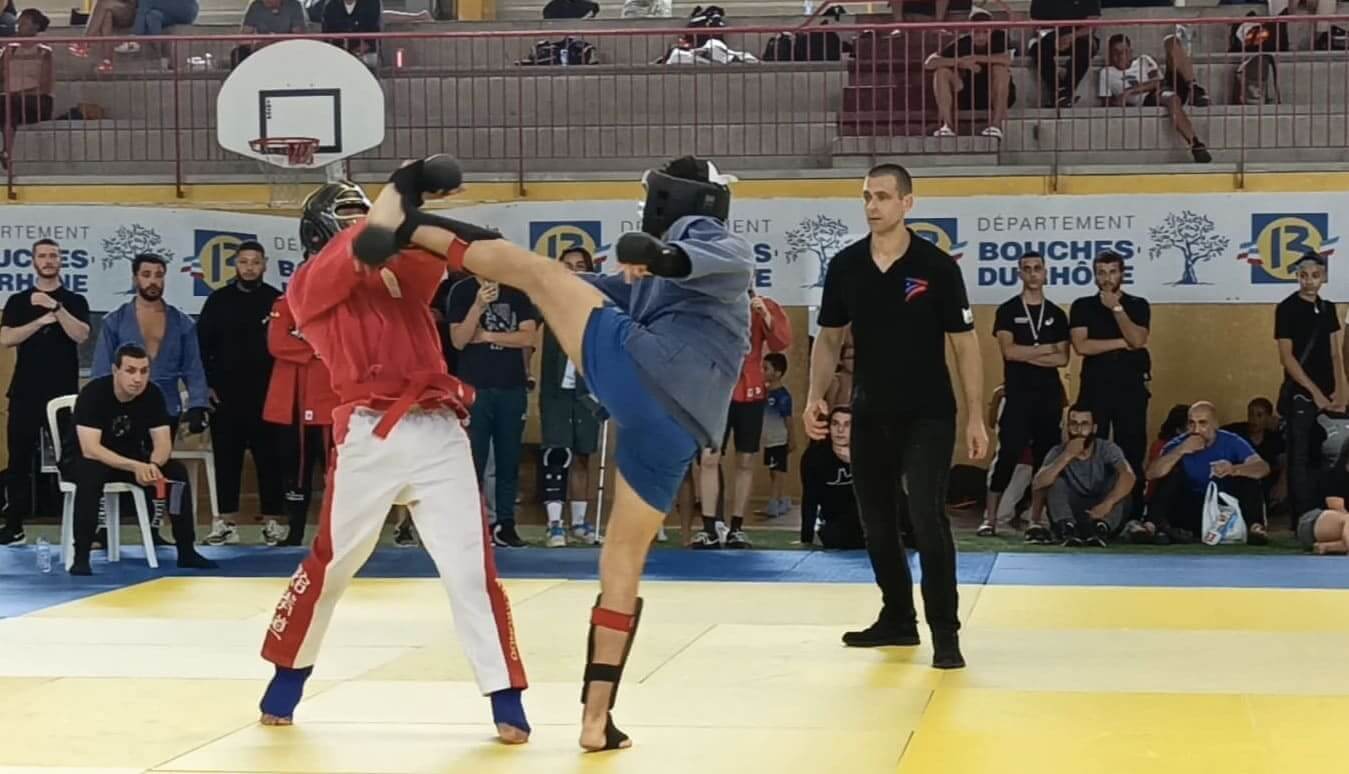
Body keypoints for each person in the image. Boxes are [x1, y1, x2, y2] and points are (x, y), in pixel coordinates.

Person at [353, 153, 753, 751]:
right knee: (622, 560)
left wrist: (656, 254)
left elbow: (693, 256)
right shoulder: (654, 275)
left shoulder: (710, 238)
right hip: (678, 428)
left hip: (652, 373)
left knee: (539, 273)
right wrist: (513, 262)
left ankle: (403, 223)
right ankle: (596, 720)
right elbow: (580, 280)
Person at [255, 180, 530, 745]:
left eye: (365, 209)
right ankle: (286, 679)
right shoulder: (308, 284)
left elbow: (431, 250)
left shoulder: (400, 272)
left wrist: (431, 219)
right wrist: (403, 190)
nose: (360, 218)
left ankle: (506, 699)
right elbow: (367, 243)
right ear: (322, 227)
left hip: (438, 428)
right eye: (349, 211)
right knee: (334, 563)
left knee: (470, 569)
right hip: (369, 432)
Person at [802, 163, 986, 670]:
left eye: (883, 196)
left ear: (908, 203)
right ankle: (898, 618)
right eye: (867, 196)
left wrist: (976, 416)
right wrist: (814, 396)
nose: (872, 206)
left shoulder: (936, 266)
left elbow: (965, 344)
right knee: (877, 522)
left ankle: (945, 631)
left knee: (925, 516)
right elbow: (830, 339)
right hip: (870, 412)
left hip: (929, 413)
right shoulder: (846, 266)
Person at [65, 344, 216, 575]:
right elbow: (90, 449)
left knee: (176, 475)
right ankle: (81, 555)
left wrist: (153, 466)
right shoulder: (94, 393)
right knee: (91, 476)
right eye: (130, 370)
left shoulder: (153, 394)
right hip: (85, 459)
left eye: (144, 371)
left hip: (131, 459)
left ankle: (186, 549)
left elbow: (163, 442)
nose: (138, 378)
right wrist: (136, 466)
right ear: (116, 370)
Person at [0, 239, 91, 546]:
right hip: (25, 391)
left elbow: (81, 334)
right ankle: (14, 526)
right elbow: (6, 338)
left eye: (53, 255)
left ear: (61, 261)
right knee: (19, 461)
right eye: (43, 256)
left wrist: (55, 307)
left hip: (63, 394)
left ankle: (78, 528)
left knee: (70, 460)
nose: (48, 260)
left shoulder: (74, 300)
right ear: (34, 261)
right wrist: (40, 320)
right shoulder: (19, 301)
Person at [197, 240, 285, 546]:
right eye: (244, 262)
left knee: (270, 460)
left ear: (265, 265)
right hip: (225, 397)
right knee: (227, 460)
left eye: (255, 262)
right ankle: (226, 523)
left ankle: (273, 523)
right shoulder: (218, 301)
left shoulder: (277, 301)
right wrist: (205, 387)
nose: (249, 267)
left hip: (267, 397)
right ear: (235, 264)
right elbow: (200, 348)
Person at [446, 270, 540, 548]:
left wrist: (486, 335)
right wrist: (478, 305)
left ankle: (505, 523)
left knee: (508, 459)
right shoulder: (462, 291)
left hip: (511, 386)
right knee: (472, 459)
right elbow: (459, 340)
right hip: (474, 388)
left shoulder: (517, 289)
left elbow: (528, 338)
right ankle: (471, 523)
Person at [696, 288, 790, 549]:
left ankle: (737, 528)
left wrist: (766, 315)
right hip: (715, 390)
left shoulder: (762, 306)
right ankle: (709, 528)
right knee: (708, 458)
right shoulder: (708, 302)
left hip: (750, 391)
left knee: (746, 460)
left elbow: (781, 343)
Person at [983, 250, 1067, 539]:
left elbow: (1063, 358)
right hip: (1018, 396)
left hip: (1048, 397)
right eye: (1027, 268)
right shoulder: (1007, 311)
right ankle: (990, 519)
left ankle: (1036, 519)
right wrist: (1045, 349)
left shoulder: (1056, 314)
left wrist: (1026, 352)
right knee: (1007, 455)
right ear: (1019, 273)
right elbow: (1009, 352)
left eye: (1037, 268)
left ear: (1045, 273)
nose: (1033, 273)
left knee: (1046, 459)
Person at [1070, 250, 1151, 521]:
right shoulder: (1082, 306)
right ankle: (1092, 513)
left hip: (1130, 388)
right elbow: (1082, 346)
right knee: (1092, 449)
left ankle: (1132, 515)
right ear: (1094, 275)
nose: (1107, 278)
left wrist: (1116, 308)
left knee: (1132, 450)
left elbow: (1138, 339)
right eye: (1101, 273)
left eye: (1112, 272)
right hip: (1095, 388)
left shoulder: (1137, 304)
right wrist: (1121, 343)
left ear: (1122, 274)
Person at [92, 253, 210, 436]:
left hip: (166, 406)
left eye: (159, 275)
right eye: (146, 275)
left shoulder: (183, 324)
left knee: (160, 454)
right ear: (135, 279)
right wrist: (102, 404)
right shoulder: (114, 321)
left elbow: (193, 367)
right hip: (123, 407)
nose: (153, 281)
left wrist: (198, 405)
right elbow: (102, 369)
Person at [262, 289, 338, 548]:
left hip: (332, 400)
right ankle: (294, 533)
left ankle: (336, 535)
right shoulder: (286, 303)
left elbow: (344, 342)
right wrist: (318, 349)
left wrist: (308, 342)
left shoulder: (342, 302)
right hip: (294, 402)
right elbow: (277, 343)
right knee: (295, 472)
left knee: (336, 472)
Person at [538, 246, 604, 547]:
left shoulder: (599, 305)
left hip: (585, 390)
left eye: (580, 265)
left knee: (582, 456)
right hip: (556, 391)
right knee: (556, 455)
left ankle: (579, 522)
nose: (575, 271)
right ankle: (554, 524)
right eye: (568, 265)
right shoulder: (549, 300)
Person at [1276, 252, 1346, 524]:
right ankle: (1302, 520)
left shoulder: (1328, 308)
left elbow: (1336, 353)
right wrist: (1314, 393)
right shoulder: (1286, 308)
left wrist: (1341, 391)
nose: (1309, 281)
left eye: (1315, 275)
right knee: (1300, 458)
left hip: (1329, 397)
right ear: (1297, 277)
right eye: (1303, 275)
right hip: (1301, 396)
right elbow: (1287, 358)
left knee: (1324, 456)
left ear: (1323, 277)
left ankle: (1323, 516)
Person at [1146, 401, 1270, 545]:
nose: (1196, 430)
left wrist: (1234, 469)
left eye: (1202, 423)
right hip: (1191, 505)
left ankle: (1255, 528)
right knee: (1170, 474)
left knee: (1249, 479)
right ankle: (1150, 526)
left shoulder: (1231, 441)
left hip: (1224, 505)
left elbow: (1263, 468)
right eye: (1191, 423)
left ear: (1215, 425)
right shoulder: (1179, 443)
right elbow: (1151, 474)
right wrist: (1180, 451)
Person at [1098, 33, 1212, 164]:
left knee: (1171, 40)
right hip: (1149, 98)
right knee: (1171, 98)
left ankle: (1193, 87)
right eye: (1116, 52)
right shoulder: (1106, 73)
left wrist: (1129, 91)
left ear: (1130, 51)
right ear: (1110, 54)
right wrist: (1118, 102)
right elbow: (1105, 102)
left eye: (1124, 51)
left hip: (1165, 86)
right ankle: (1195, 144)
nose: (1121, 56)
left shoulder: (1144, 60)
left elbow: (1158, 81)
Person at [1032, 404, 1135, 547]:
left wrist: (1108, 504)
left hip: (1103, 510)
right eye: (1074, 424)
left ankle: (1101, 530)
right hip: (1072, 513)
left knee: (1118, 480)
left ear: (1094, 428)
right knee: (1053, 480)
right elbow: (1038, 483)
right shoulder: (1058, 451)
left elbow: (1129, 476)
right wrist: (1067, 456)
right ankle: (1067, 529)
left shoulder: (1107, 448)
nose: (1079, 430)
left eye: (1084, 424)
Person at [925, 6, 1016, 139]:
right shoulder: (962, 43)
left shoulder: (1000, 38)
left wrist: (976, 58)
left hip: (995, 93)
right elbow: (929, 63)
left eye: (985, 32)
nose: (981, 36)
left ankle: (996, 125)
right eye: (976, 32)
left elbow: (1007, 59)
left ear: (991, 30)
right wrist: (960, 62)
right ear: (969, 30)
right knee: (941, 72)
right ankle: (947, 126)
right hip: (969, 93)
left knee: (1000, 69)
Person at [799, 406, 863, 549]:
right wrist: (806, 538)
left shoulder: (865, 452)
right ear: (828, 427)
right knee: (832, 536)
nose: (840, 430)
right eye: (835, 424)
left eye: (847, 425)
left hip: (868, 517)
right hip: (837, 521)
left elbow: (883, 490)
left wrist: (856, 462)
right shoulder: (814, 456)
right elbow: (809, 499)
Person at [1222, 397, 1285, 507]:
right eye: (1251, 414)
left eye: (1259, 415)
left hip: (1266, 487)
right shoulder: (1236, 432)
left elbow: (1284, 463)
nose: (1254, 419)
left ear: (1268, 417)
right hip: (1240, 485)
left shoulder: (1274, 438)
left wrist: (1282, 484)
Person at [760, 352, 794, 518]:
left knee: (778, 471)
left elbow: (788, 419)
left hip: (779, 439)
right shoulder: (764, 392)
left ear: (778, 373)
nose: (762, 371)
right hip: (768, 440)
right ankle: (780, 499)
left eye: (766, 368)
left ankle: (774, 503)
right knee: (773, 471)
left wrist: (791, 439)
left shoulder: (783, 396)